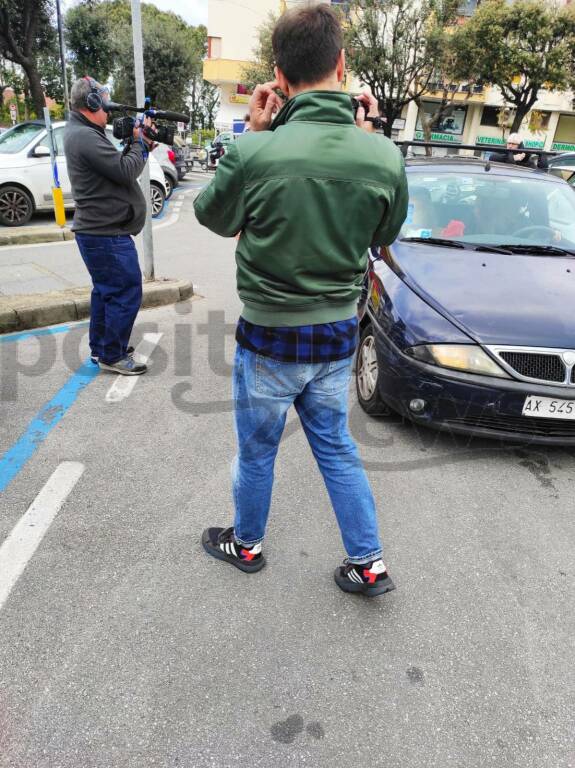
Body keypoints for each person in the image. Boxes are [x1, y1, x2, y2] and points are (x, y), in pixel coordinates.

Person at [194, 4, 408, 597]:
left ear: (278, 80)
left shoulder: (254, 153)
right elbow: (384, 235)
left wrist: (256, 133)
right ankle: (369, 563)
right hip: (337, 334)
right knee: (336, 446)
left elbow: (212, 216)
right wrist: (368, 141)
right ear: (342, 66)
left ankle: (247, 543)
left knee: (257, 450)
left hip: (268, 337)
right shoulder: (384, 156)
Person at [64, 76, 156, 375]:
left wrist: (136, 143)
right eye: (105, 101)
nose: (109, 108)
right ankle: (112, 355)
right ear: (92, 103)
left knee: (106, 292)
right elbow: (125, 170)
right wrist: (140, 144)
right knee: (126, 291)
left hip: (99, 231)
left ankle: (102, 348)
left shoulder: (83, 132)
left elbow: (116, 168)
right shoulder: (85, 136)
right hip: (105, 233)